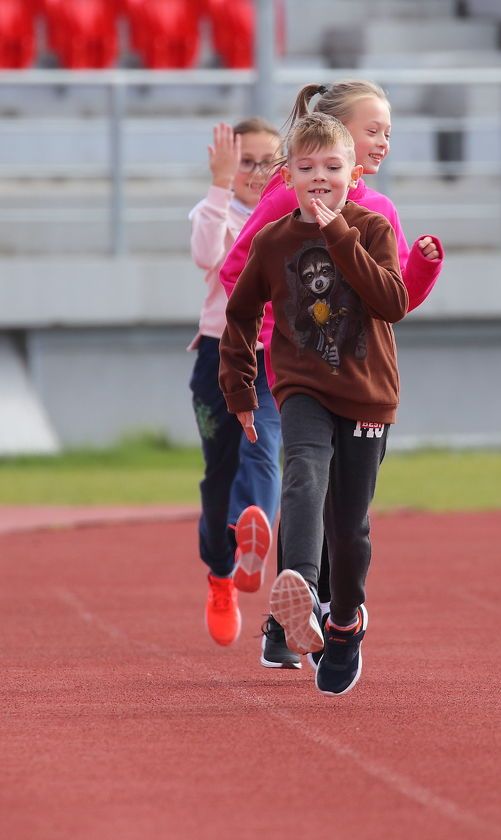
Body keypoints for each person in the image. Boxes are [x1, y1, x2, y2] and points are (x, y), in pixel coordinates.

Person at [219, 80, 443, 668]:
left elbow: (392, 300)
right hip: (299, 372)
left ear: (348, 165)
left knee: (342, 515)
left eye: (389, 132)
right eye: (374, 130)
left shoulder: (378, 214)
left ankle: (316, 620)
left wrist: (423, 269)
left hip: (363, 378)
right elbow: (241, 274)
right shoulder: (285, 199)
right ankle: (296, 607)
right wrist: (283, 332)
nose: (384, 142)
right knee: (304, 478)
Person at [188, 118, 283, 650]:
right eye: (246, 161)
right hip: (216, 353)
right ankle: (221, 575)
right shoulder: (215, 211)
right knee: (219, 474)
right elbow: (207, 255)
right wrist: (220, 184)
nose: (257, 172)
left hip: (269, 356)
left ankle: (253, 540)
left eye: (269, 162)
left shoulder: (289, 216)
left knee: (262, 445)